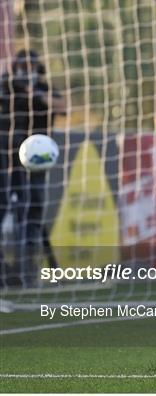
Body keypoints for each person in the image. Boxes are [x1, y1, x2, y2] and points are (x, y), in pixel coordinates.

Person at [0, 49, 65, 286]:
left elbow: (62, 105)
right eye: (22, 68)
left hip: (38, 158)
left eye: (31, 68)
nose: (26, 72)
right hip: (7, 157)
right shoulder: (7, 88)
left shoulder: (43, 89)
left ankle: (28, 268)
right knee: (5, 205)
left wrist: (33, 92)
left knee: (33, 207)